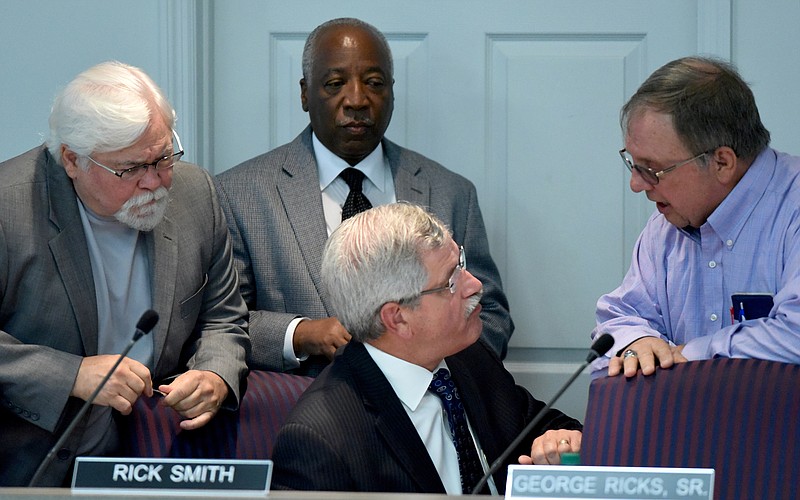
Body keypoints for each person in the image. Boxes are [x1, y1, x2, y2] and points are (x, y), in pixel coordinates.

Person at [214, 17, 512, 375]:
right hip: (304, 413)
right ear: (305, 92)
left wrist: (432, 363)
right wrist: (300, 334)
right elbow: (222, 323)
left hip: (427, 417)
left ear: (391, 90)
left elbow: (490, 313)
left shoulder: (450, 192)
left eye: (373, 83)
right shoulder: (239, 194)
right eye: (335, 84)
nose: (357, 100)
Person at [0, 61, 250, 486]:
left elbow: (223, 316)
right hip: (28, 462)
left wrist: (215, 374)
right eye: (131, 169)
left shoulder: (195, 194)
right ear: (72, 161)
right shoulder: (9, 209)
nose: (154, 183)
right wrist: (71, 374)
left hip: (163, 452)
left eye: (164, 157)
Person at [271, 203, 581, 494]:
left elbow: (554, 429)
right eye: (451, 281)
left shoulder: (467, 356)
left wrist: (562, 443)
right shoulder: (320, 439)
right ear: (398, 318)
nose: (474, 285)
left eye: (461, 263)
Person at [591, 56, 800, 378]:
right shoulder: (668, 222)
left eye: (652, 169)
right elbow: (622, 316)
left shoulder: (793, 209)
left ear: (722, 163)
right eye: (633, 163)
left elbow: (795, 335)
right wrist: (637, 343)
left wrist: (688, 356)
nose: (636, 184)